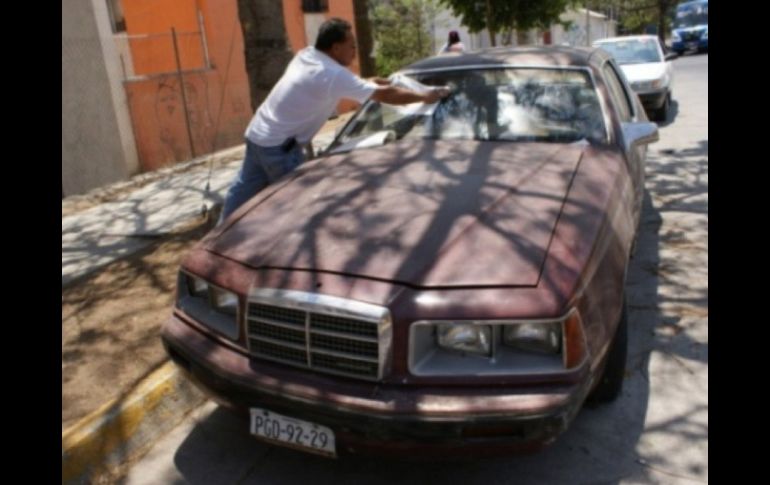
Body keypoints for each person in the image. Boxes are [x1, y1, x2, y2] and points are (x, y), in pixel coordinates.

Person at [220, 17, 450, 222]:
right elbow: (384, 96)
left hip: (257, 136)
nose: (355, 51)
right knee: (299, 207)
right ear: (336, 47)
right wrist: (425, 96)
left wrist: (373, 82)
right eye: (352, 46)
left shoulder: (307, 56)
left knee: (241, 194)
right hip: (279, 149)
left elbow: (340, 83)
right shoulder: (332, 75)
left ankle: (216, 237)